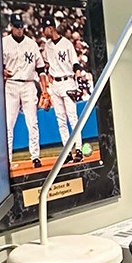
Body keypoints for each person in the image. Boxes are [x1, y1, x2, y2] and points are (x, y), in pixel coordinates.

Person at [38, 16, 86, 163]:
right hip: (55, 85)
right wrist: (47, 88)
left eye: (44, 28)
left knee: (72, 118)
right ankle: (67, 151)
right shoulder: (47, 46)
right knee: (61, 120)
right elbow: (46, 66)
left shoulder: (66, 44)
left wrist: (78, 82)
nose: (43, 31)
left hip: (68, 81)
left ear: (50, 28)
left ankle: (78, 149)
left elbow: (76, 65)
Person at [1, 15, 43, 168]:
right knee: (8, 124)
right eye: (16, 26)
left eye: (21, 26)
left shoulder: (31, 44)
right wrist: (2, 71)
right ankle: (8, 160)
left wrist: (44, 90)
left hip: (28, 84)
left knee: (32, 123)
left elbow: (41, 68)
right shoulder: (3, 43)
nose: (19, 29)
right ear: (11, 26)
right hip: (11, 85)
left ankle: (36, 157)